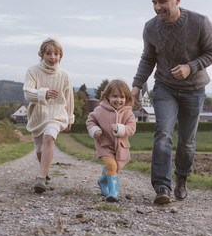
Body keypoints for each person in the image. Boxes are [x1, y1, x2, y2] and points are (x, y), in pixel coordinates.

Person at [131, 0, 212, 204]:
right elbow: (148, 58)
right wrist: (136, 85)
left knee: (187, 141)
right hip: (165, 87)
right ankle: (162, 187)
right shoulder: (150, 27)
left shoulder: (199, 22)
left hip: (194, 89)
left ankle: (182, 177)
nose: (158, 7)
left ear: (177, 0)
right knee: (163, 133)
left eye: (162, 1)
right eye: (154, 2)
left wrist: (191, 67)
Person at [23, 38, 75, 193]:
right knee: (39, 148)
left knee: (49, 138)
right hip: (38, 115)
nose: (53, 57)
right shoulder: (33, 71)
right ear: (42, 54)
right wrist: (43, 93)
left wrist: (70, 117)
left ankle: (40, 178)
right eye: (48, 53)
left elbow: (69, 97)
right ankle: (44, 170)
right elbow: (27, 93)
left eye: (56, 54)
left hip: (57, 114)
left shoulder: (65, 75)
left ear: (60, 56)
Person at [86, 79, 136, 202]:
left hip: (120, 147)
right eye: (115, 96)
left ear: (126, 98)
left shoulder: (128, 113)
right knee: (111, 165)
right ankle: (114, 193)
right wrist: (94, 129)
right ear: (108, 95)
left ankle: (102, 181)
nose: (118, 100)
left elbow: (131, 128)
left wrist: (120, 128)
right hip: (105, 145)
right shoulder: (100, 110)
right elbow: (90, 120)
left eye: (122, 97)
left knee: (115, 167)